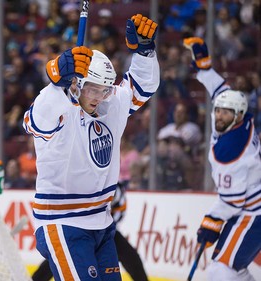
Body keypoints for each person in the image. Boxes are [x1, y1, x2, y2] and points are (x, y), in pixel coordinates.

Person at [23, 13, 159, 281]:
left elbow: (143, 86)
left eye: (106, 89)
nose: (100, 97)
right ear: (78, 84)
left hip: (102, 223)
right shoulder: (61, 108)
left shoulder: (111, 104)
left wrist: (145, 52)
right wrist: (57, 83)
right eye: (93, 89)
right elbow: (33, 123)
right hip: (62, 224)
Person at [183, 37, 261, 280]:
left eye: (225, 112)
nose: (219, 115)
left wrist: (211, 222)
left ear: (236, 115)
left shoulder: (231, 150)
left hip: (252, 211)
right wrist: (205, 68)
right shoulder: (242, 119)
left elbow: (232, 202)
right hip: (250, 205)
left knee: (221, 269)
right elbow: (222, 92)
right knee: (231, 270)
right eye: (218, 110)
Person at [31, 183, 149, 281]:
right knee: (62, 258)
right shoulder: (83, 184)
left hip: (105, 231)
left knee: (132, 258)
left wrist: (108, 223)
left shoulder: (115, 189)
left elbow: (121, 209)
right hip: (79, 229)